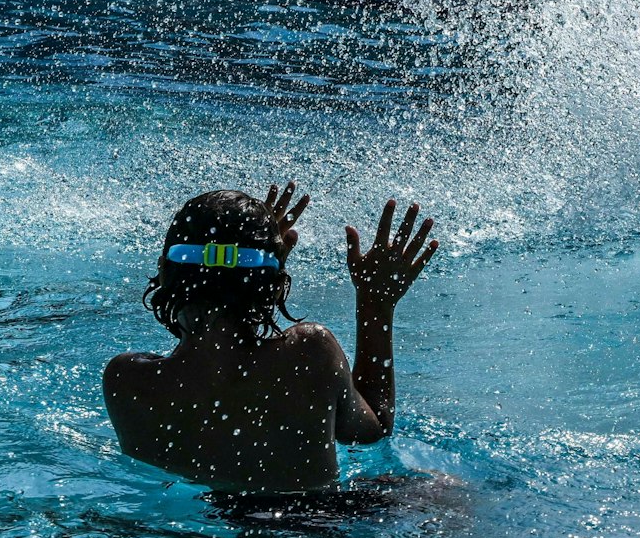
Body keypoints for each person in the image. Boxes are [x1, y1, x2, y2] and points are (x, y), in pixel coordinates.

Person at [103, 184, 440, 495]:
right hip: (313, 532)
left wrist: (264, 270)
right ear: (274, 284)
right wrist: (374, 303)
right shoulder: (310, 353)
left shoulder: (127, 381)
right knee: (442, 487)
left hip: (194, 534)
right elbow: (374, 430)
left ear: (164, 271)